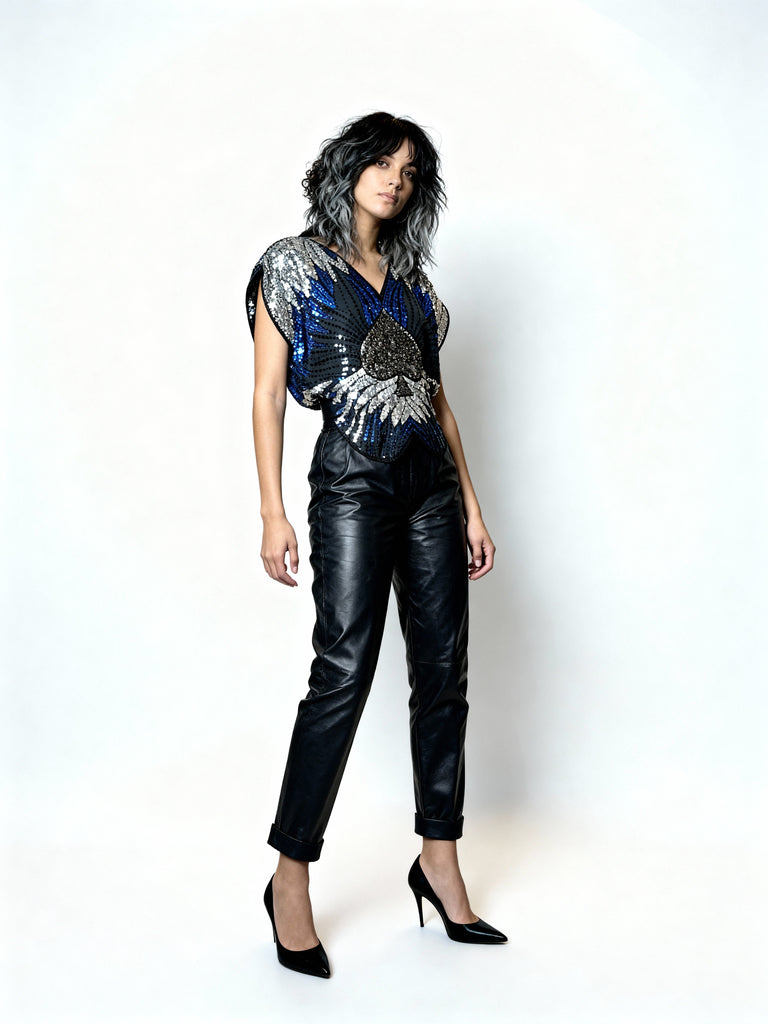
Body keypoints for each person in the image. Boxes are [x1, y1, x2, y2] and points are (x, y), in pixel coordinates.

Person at [246, 111, 506, 979]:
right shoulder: (291, 265)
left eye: (410, 170)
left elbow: (437, 400)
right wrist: (272, 511)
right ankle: (290, 875)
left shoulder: (415, 285)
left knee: (443, 673)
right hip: (353, 483)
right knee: (344, 671)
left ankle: (439, 858)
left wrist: (471, 506)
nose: (395, 179)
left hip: (432, 488)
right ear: (350, 166)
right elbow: (268, 394)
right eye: (383, 163)